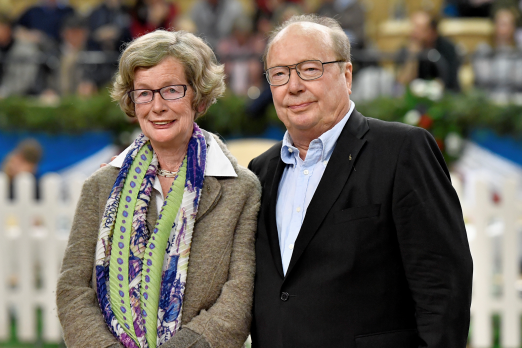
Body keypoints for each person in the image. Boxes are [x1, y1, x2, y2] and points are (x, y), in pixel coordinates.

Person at [248, 14, 472, 348]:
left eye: (309, 68)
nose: (293, 86)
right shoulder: (261, 171)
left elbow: (443, 286)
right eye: (279, 74)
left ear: (347, 74)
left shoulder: (401, 151)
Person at [56, 29, 261, 348]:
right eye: (144, 92)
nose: (157, 106)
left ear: (198, 94)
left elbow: (239, 298)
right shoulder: (101, 186)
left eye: (171, 90)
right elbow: (73, 289)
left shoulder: (240, 189)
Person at [396, 11, 461, 92]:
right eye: (413, 27)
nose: (414, 32)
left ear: (432, 31)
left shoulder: (447, 48)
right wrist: (412, 56)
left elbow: (451, 82)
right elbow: (401, 85)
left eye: (419, 28)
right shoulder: (407, 49)